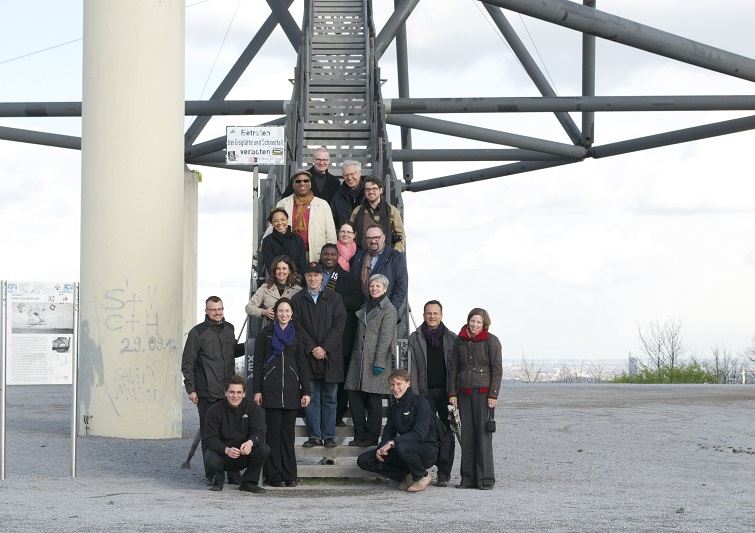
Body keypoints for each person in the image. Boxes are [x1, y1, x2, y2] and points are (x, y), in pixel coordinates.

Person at [181, 296, 246, 485]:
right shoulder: (197, 333)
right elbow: (187, 363)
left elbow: (233, 351)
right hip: (206, 393)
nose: (217, 313)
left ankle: (233, 473)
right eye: (213, 310)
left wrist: (251, 343)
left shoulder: (230, 329)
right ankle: (212, 474)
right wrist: (191, 389)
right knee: (210, 435)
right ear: (206, 311)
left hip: (229, 393)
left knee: (232, 432)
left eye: (220, 309)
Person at [253, 297, 311, 487]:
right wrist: (257, 390)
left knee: (288, 437)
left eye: (287, 311)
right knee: (273, 437)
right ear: (275, 313)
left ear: (292, 313)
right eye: (280, 311)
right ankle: (274, 476)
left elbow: (302, 363)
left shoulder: (298, 334)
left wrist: (306, 391)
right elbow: (259, 363)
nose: (284, 314)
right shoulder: (266, 333)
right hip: (271, 391)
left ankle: (290, 475)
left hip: (292, 392)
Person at [292, 261, 346, 448]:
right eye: (309, 275)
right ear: (305, 277)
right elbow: (296, 327)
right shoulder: (297, 300)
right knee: (311, 397)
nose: (313, 278)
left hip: (330, 357)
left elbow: (339, 326)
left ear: (322, 277)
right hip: (308, 357)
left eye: (316, 275)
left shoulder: (335, 298)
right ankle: (314, 436)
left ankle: (329, 436)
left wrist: (324, 348)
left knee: (331, 399)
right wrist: (313, 348)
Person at [356, 368, 437, 493]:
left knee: (401, 446)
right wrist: (381, 448)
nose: (395, 388)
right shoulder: (394, 407)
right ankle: (406, 476)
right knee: (364, 460)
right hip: (404, 449)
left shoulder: (421, 402)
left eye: (399, 384)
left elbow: (419, 434)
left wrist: (392, 443)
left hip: (426, 450)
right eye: (392, 385)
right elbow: (388, 432)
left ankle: (422, 476)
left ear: (408, 383)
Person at [448, 308, 502, 490]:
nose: (475, 324)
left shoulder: (492, 341)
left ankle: (485, 479)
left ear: (484, 323)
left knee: (483, 435)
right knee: (468, 436)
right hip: (463, 393)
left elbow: (497, 370)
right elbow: (453, 367)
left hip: (484, 394)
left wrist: (493, 394)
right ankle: (468, 479)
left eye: (479, 322)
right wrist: (452, 393)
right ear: (468, 321)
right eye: (473, 321)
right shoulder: (460, 340)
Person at [408, 300, 458, 487]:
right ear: (423, 315)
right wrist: (414, 394)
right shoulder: (415, 337)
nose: (432, 316)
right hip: (424, 392)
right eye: (429, 313)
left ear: (441, 316)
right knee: (425, 432)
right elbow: (412, 368)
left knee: (447, 432)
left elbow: (456, 368)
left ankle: (444, 473)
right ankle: (423, 470)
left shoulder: (452, 338)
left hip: (446, 393)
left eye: (435, 313)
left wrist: (455, 392)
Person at [344, 274, 396, 447]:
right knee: (354, 396)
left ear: (385, 289)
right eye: (372, 286)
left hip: (375, 361)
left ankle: (371, 437)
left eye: (378, 286)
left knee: (374, 401)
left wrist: (379, 362)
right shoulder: (365, 305)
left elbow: (385, 338)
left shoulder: (389, 309)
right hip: (358, 360)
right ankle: (359, 435)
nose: (374, 289)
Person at [318, 243, 365, 427]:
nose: (329, 257)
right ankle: (319, 415)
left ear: (338, 257)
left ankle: (337, 416)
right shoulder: (313, 276)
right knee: (319, 378)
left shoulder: (348, 278)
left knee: (341, 377)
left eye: (332, 254)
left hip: (341, 337)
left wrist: (335, 298)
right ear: (320, 256)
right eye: (325, 254)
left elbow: (359, 302)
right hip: (318, 336)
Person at [203, 375, 271, 493]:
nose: (235, 396)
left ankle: (248, 483)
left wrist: (250, 443)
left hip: (244, 453)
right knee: (210, 457)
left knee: (264, 449)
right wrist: (226, 450)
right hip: (224, 454)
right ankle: (218, 481)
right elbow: (210, 439)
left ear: (244, 393)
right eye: (232, 392)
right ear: (225, 392)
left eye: (239, 392)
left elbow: (259, 432)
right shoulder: (214, 411)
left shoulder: (252, 407)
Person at [277, 170, 337, 263]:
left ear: (310, 184)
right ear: (293, 185)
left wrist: (330, 254)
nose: (302, 183)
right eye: (298, 181)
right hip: (289, 254)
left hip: (315, 255)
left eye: (306, 181)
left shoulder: (323, 204)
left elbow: (330, 233)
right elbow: (275, 228)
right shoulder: (283, 204)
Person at [351, 224, 408, 313]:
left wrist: (390, 311)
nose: (373, 241)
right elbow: (353, 284)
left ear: (383, 238)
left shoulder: (396, 257)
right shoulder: (359, 257)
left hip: (385, 312)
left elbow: (401, 287)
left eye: (376, 237)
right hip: (363, 312)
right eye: (369, 238)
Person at [350, 175, 406, 252]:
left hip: (385, 258)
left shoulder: (392, 211)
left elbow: (401, 235)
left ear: (380, 190)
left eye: (374, 189)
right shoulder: (357, 211)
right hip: (361, 256)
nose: (371, 192)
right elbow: (351, 234)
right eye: (368, 189)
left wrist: (394, 253)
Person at [245, 256, 302, 329]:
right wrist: (264, 312)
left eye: (284, 268)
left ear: (289, 270)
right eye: (278, 269)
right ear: (274, 271)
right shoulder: (265, 288)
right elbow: (249, 307)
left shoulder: (298, 290)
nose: (281, 271)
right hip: (269, 332)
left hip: (291, 332)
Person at [258, 207, 307, 281]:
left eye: (282, 219)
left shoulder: (298, 239)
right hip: (276, 282)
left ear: (287, 220)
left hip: (296, 282)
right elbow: (270, 265)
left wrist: (296, 281)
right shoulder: (267, 241)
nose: (280, 223)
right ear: (272, 223)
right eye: (275, 221)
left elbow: (302, 264)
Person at [330, 160, 365, 228]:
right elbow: (333, 222)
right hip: (345, 236)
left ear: (359, 173)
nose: (349, 178)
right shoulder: (337, 198)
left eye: (352, 174)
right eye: (346, 175)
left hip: (366, 237)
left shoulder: (369, 193)